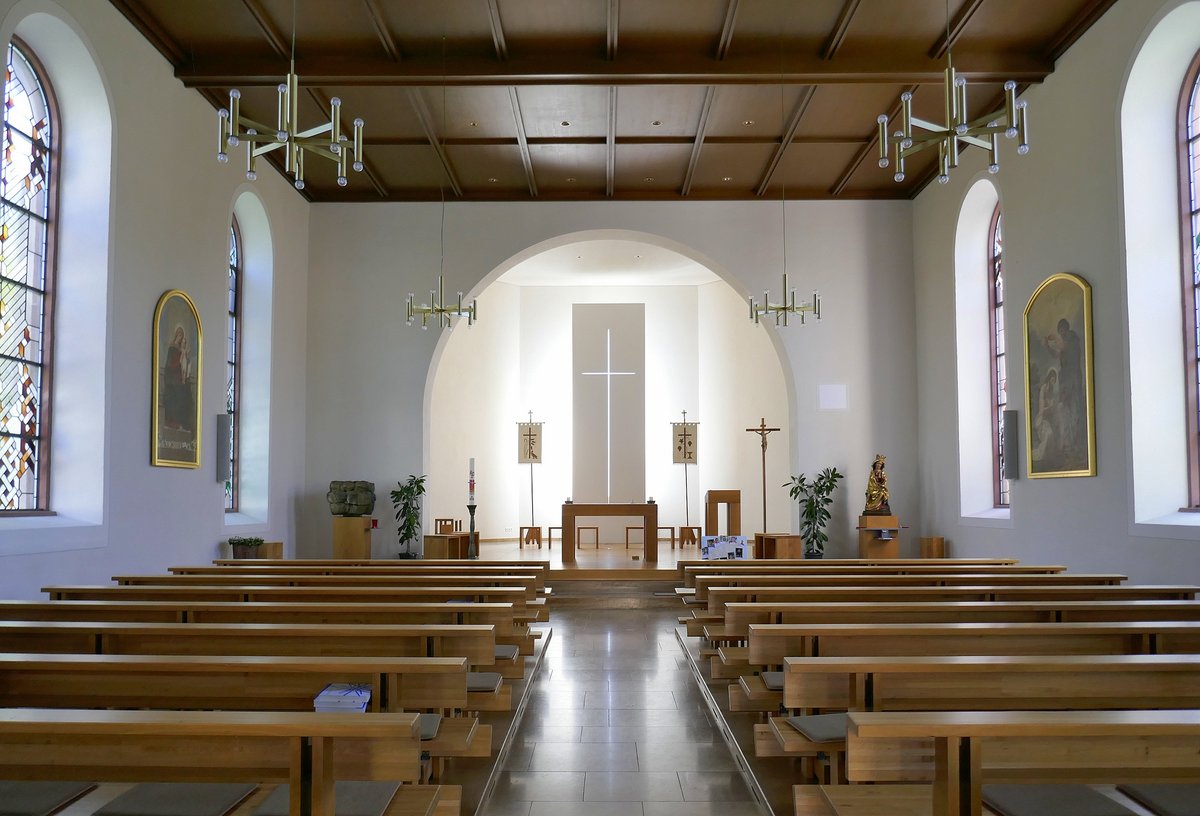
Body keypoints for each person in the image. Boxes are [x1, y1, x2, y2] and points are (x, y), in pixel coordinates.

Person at [162, 324, 194, 432]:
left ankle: (183, 423)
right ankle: (173, 423)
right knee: (175, 397)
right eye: (179, 334)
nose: (180, 337)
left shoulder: (182, 350)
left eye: (182, 335)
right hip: (172, 379)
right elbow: (171, 364)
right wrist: (181, 358)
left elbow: (185, 364)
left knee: (186, 395)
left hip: (180, 380)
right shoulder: (172, 347)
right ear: (176, 335)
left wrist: (185, 357)